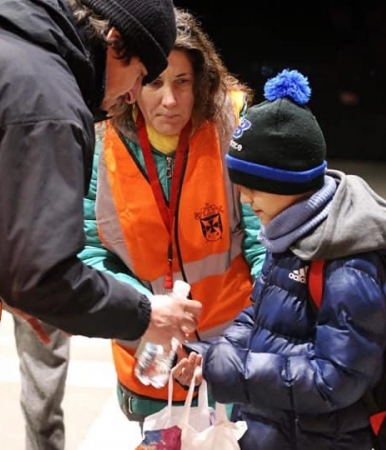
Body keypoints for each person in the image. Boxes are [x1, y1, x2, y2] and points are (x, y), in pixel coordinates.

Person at [0, 0, 204, 419]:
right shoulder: (46, 99)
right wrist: (146, 313)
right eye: (141, 76)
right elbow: (38, 275)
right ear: (114, 41)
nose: (131, 95)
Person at [173, 69, 386, 450]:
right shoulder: (290, 234)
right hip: (275, 430)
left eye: (254, 189)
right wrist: (210, 358)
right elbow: (261, 318)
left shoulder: (348, 261)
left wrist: (233, 371)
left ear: (291, 185)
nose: (245, 200)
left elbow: (336, 377)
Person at [73, 7, 267, 433]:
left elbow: (262, 240)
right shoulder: (100, 140)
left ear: (202, 81)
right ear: (133, 81)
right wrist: (146, 311)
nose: (170, 100)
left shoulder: (231, 128)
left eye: (183, 82)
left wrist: (248, 337)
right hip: (149, 351)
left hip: (230, 351)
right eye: (156, 82)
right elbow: (88, 249)